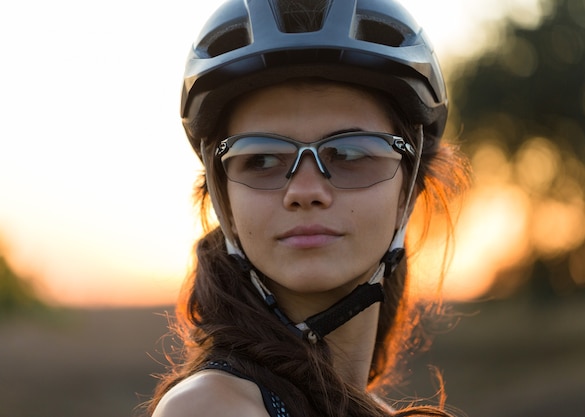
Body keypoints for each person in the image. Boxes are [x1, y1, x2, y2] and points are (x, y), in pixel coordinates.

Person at [146, 0, 470, 416]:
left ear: (409, 190)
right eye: (261, 158)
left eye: (350, 153)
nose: (305, 190)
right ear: (224, 200)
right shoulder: (210, 408)